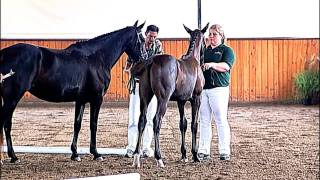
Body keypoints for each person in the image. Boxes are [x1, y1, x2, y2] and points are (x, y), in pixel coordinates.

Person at [124, 25, 164, 158]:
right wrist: (128, 69)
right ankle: (131, 147)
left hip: (152, 85)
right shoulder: (137, 45)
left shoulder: (158, 45)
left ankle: (146, 147)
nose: (152, 39)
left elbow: (159, 62)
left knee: (150, 117)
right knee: (134, 118)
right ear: (145, 34)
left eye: (154, 36)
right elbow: (128, 62)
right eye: (150, 36)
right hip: (137, 83)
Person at [197, 24, 235, 161]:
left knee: (220, 119)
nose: (211, 36)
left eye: (214, 34)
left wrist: (212, 64)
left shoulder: (227, 50)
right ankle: (203, 150)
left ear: (221, 36)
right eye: (210, 34)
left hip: (219, 89)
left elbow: (226, 66)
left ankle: (224, 151)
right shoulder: (204, 51)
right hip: (203, 90)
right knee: (204, 120)